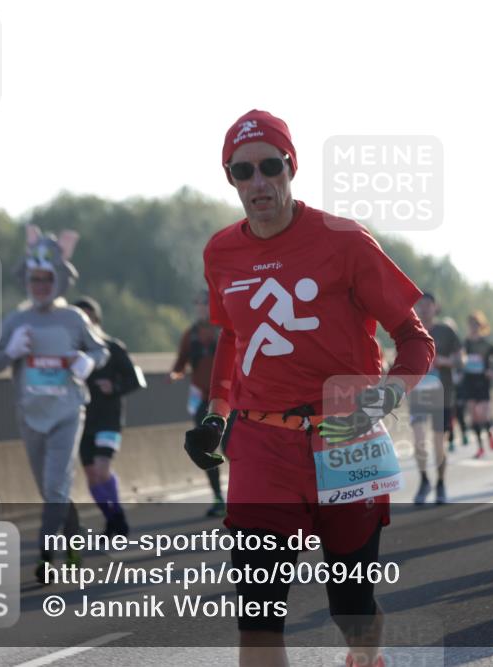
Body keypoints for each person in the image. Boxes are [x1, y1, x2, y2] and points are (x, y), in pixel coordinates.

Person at [183, 109, 434, 667]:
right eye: (242, 172)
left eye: (270, 166)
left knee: (351, 606)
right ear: (230, 179)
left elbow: (415, 340)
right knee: (257, 612)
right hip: (261, 445)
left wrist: (383, 398)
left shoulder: (344, 240)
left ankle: (366, 657)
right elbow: (231, 337)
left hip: (347, 439)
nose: (258, 182)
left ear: (291, 167)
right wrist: (216, 414)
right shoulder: (220, 251)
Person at [0, 226, 109, 584]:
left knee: (55, 487)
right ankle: (73, 543)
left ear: (58, 281)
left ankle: (45, 558)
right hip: (30, 415)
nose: (40, 285)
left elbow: (101, 350)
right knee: (50, 489)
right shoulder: (17, 320)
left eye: (46, 278)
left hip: (68, 413)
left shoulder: (73, 317)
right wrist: (10, 352)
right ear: (27, 279)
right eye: (34, 278)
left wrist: (86, 362)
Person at [74, 297, 145, 537]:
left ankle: (118, 517)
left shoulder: (113, 347)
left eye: (89, 317)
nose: (86, 322)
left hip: (109, 420)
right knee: (92, 475)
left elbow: (136, 380)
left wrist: (113, 386)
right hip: (82, 420)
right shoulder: (73, 353)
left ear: (97, 319)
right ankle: (110, 518)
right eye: (80, 318)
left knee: (103, 469)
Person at [169, 289, 225, 517]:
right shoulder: (190, 335)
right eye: (198, 303)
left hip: (227, 401)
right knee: (204, 449)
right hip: (202, 400)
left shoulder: (225, 331)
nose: (201, 307)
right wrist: (175, 374)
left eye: (204, 303)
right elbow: (180, 364)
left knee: (232, 448)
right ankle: (218, 498)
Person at [410, 293, 462, 504]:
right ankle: (424, 481)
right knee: (419, 441)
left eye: (428, 305)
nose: (423, 309)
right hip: (418, 394)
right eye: (420, 305)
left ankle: (440, 483)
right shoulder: (410, 330)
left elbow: (460, 360)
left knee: (438, 443)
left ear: (435, 307)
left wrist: (444, 361)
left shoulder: (446, 331)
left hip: (442, 394)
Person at [461, 310, 493, 458]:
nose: (473, 327)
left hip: (482, 382)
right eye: (471, 324)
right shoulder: (464, 343)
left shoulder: (486, 344)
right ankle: (480, 447)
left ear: (481, 325)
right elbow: (458, 359)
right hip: (469, 381)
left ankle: (490, 432)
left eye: (476, 324)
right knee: (474, 416)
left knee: (484, 414)